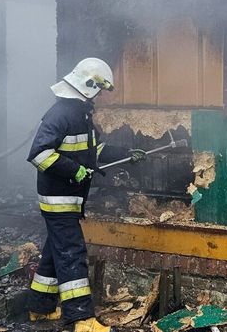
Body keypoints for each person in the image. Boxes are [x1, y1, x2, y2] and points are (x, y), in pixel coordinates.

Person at [26, 57, 145, 332]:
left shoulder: (79, 113)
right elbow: (39, 153)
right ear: (89, 86)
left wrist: (126, 155)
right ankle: (81, 319)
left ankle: (39, 307)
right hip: (59, 199)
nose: (101, 96)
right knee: (71, 253)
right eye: (100, 90)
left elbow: (94, 151)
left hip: (67, 198)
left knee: (55, 251)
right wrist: (74, 171)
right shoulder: (62, 113)